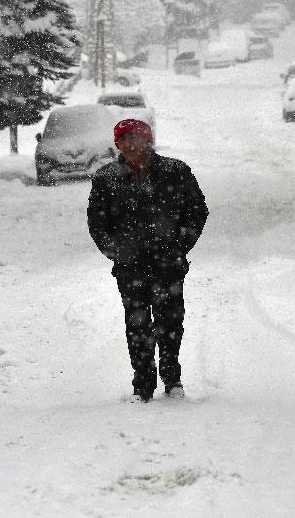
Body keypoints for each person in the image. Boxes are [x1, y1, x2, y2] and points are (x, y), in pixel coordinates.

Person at [87, 118, 208, 403]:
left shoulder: (176, 172)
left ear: (147, 141)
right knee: (137, 324)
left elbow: (197, 211)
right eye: (124, 140)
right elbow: (97, 223)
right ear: (117, 144)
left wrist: (180, 247)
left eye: (136, 139)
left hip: (168, 264)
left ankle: (172, 378)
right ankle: (142, 384)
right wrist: (115, 251)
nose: (130, 145)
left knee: (170, 321)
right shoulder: (106, 179)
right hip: (130, 267)